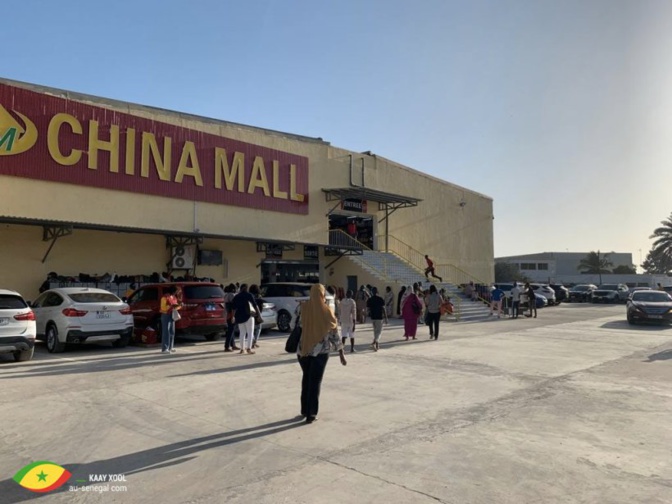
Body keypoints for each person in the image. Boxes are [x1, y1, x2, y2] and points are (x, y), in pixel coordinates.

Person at [296, 284, 347, 424]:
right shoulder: (327, 311)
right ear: (323, 295)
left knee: (306, 378)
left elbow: (296, 325)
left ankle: (304, 410)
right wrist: (341, 353)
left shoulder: (302, 308)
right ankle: (311, 414)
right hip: (320, 351)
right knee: (315, 381)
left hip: (303, 351)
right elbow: (334, 334)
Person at [231, 284, 262, 354]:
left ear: (240, 288)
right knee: (250, 333)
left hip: (239, 317)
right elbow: (255, 305)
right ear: (246, 288)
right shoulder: (249, 295)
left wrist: (233, 317)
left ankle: (242, 349)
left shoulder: (237, 296)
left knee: (242, 333)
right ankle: (249, 349)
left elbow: (234, 308)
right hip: (249, 316)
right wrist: (259, 315)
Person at [160, 286, 181, 354]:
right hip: (166, 315)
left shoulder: (174, 297)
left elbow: (176, 307)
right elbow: (163, 308)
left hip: (172, 314)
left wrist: (179, 306)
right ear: (173, 291)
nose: (177, 293)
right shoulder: (164, 297)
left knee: (172, 331)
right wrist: (171, 306)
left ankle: (170, 347)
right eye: (176, 291)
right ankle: (165, 348)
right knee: (166, 331)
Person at [367, 287, 388, 351]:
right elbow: (383, 309)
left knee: (375, 331)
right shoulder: (380, 299)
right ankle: (375, 343)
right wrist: (386, 317)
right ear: (377, 291)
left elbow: (368, 309)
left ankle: (377, 345)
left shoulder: (370, 299)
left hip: (373, 317)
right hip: (379, 317)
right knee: (378, 332)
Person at [223, 284, 239, 352]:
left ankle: (233, 345)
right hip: (231, 315)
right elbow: (233, 307)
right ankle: (227, 346)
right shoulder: (232, 295)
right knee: (230, 331)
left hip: (227, 314)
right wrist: (233, 316)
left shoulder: (226, 295)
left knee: (231, 330)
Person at [249, 284, 266, 349]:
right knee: (258, 328)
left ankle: (253, 341)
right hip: (258, 314)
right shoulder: (259, 297)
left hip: (251, 314)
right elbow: (261, 306)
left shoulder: (250, 296)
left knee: (251, 329)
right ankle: (255, 341)